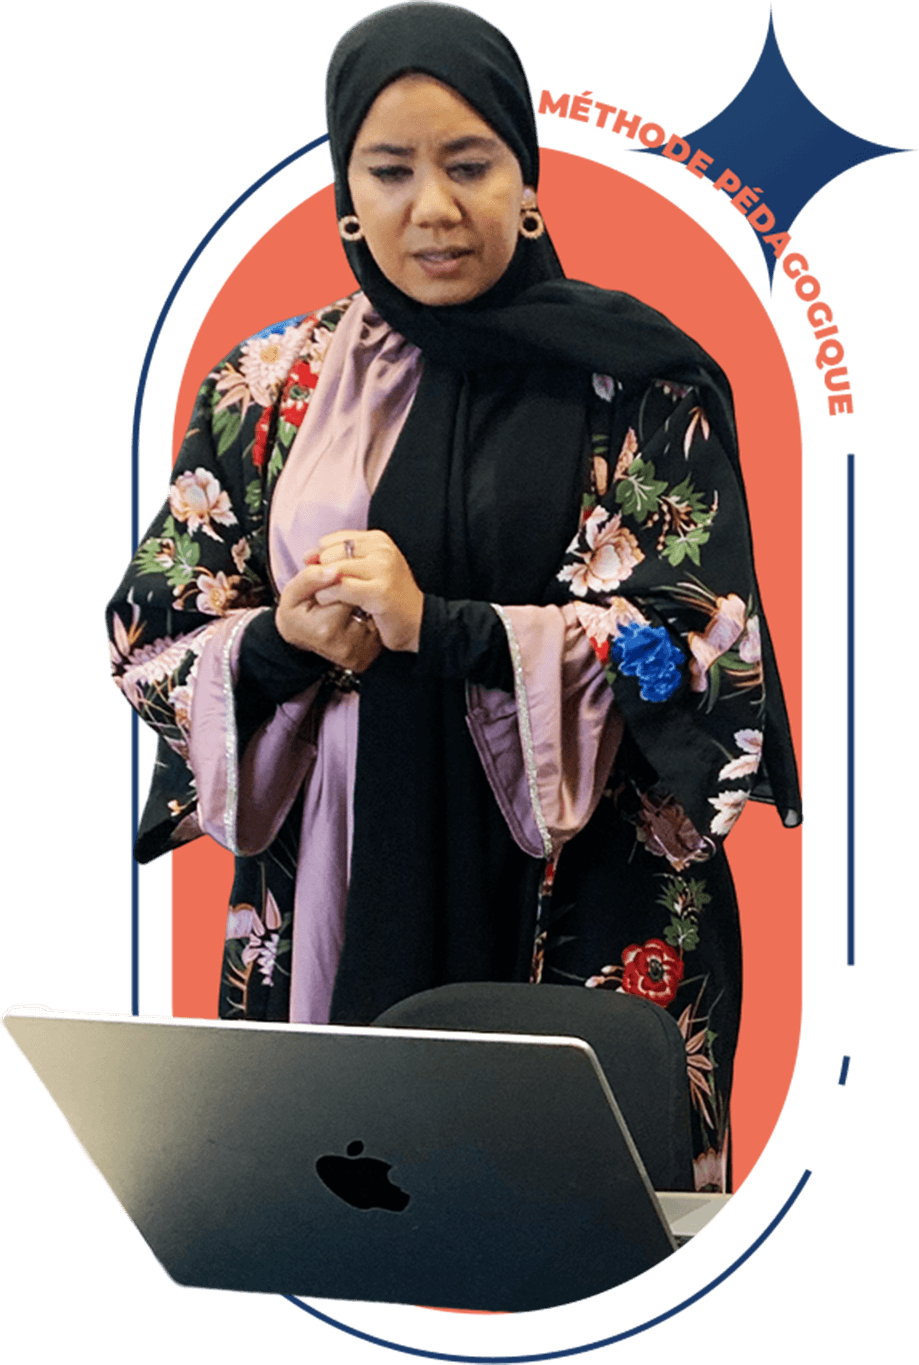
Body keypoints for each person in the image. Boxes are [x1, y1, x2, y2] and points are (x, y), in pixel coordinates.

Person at [106, 1, 800, 1193]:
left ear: (526, 180)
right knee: (338, 1211)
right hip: (338, 881)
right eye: (390, 171)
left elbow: (701, 642)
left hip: (589, 899)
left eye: (470, 164)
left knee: (587, 1227)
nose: (433, 207)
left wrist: (443, 629)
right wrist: (280, 642)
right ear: (345, 196)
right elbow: (154, 632)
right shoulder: (262, 390)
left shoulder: (636, 381)